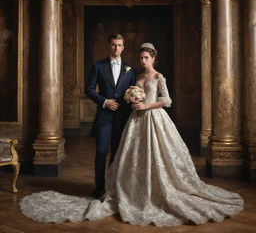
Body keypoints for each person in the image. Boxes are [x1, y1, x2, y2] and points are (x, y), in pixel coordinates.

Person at [20, 43, 243, 226]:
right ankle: (125, 191)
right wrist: (131, 98)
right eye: (141, 58)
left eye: (146, 58)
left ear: (153, 58)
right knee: (130, 157)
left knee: (157, 157)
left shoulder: (158, 77)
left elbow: (167, 101)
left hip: (154, 120)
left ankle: (156, 192)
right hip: (135, 122)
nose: (143, 61)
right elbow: (129, 96)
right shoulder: (135, 76)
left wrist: (147, 106)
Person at [85, 33, 136, 199]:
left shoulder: (130, 70)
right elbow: (89, 89)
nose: (116, 48)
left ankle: (113, 187)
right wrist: (104, 102)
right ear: (109, 45)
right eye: (114, 44)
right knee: (101, 152)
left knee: (117, 153)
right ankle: (99, 188)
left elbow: (132, 92)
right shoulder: (98, 66)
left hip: (122, 117)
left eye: (119, 45)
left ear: (123, 47)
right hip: (104, 117)